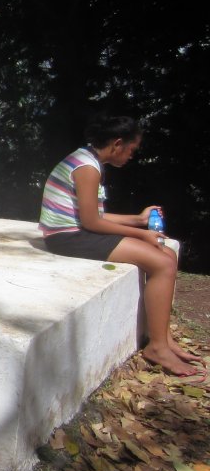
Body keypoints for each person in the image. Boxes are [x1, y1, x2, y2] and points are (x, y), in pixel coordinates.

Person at [39, 114, 202, 379]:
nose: (131, 155)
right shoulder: (87, 168)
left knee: (168, 254)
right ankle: (157, 348)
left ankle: (164, 337)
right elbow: (92, 222)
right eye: (131, 149)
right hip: (67, 237)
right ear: (117, 144)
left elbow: (93, 215)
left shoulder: (88, 161)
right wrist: (142, 235)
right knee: (161, 262)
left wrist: (139, 220)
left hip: (78, 231)